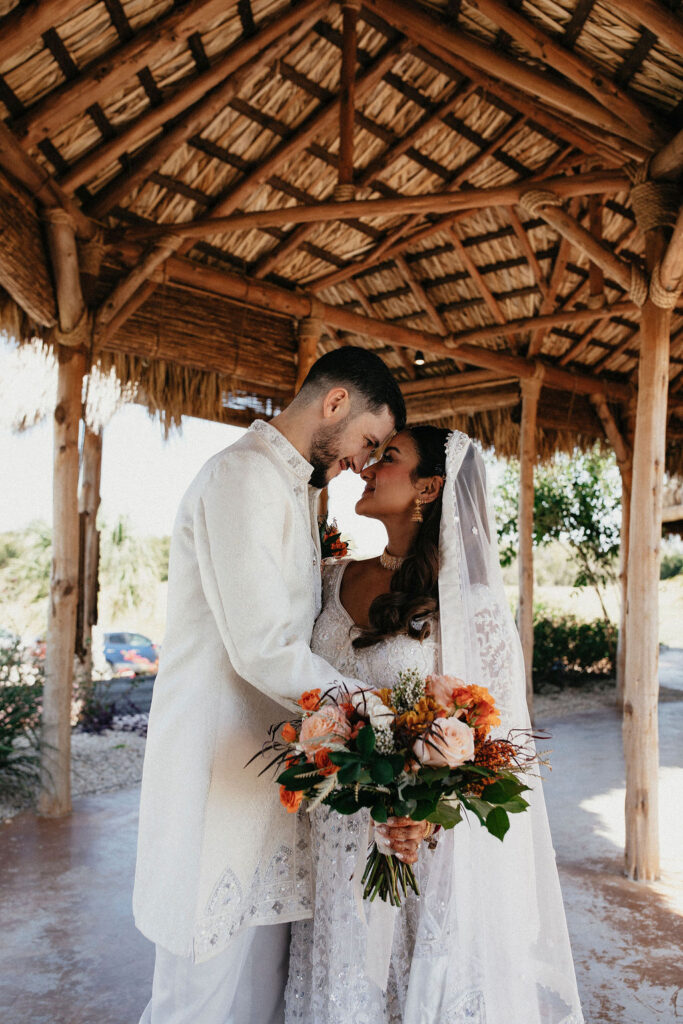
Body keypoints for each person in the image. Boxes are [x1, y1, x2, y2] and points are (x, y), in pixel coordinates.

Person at [134, 346, 406, 1024]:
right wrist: (377, 711)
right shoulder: (243, 477)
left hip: (269, 786)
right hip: (215, 780)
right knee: (193, 999)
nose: (361, 463)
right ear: (334, 402)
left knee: (255, 1000)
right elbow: (263, 649)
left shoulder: (292, 487)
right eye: (366, 442)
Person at [286, 426, 584, 1024]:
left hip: (417, 848)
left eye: (386, 458)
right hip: (333, 839)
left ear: (428, 487)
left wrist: (426, 815)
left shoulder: (468, 605)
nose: (368, 468)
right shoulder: (329, 577)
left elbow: (491, 743)